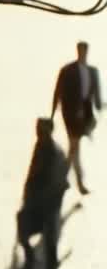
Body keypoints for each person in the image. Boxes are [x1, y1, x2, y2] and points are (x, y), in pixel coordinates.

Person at [17, 118, 69, 269]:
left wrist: (40, 200)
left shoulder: (55, 152)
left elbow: (58, 181)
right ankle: (31, 262)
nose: (38, 132)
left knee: (50, 240)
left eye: (41, 129)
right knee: (23, 226)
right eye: (37, 128)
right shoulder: (40, 146)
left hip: (48, 204)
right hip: (35, 201)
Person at [51, 41, 100, 194]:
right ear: (77, 51)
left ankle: (62, 179)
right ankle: (77, 182)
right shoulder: (67, 70)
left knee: (73, 148)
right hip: (70, 113)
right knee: (74, 146)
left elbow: (96, 93)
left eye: (84, 51)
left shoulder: (92, 71)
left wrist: (98, 107)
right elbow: (58, 91)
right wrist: (52, 113)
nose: (82, 53)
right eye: (80, 50)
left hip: (85, 113)